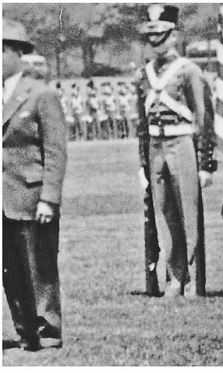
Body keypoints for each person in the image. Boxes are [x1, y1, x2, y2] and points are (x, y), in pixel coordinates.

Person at [136, 5, 216, 297]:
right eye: (151, 35)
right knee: (165, 213)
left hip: (182, 144)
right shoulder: (143, 74)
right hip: (156, 146)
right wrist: (143, 162)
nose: (156, 41)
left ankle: (194, 279)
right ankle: (175, 276)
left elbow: (204, 117)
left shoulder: (188, 71)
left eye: (162, 35)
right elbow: (141, 124)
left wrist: (207, 162)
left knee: (188, 213)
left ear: (174, 35)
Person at [3, 18, 68, 350]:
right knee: (9, 269)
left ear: (16, 53)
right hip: (3, 196)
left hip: (31, 194)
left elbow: (55, 150)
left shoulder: (40, 94)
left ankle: (48, 329)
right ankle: (23, 328)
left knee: (38, 266)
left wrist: (49, 198)